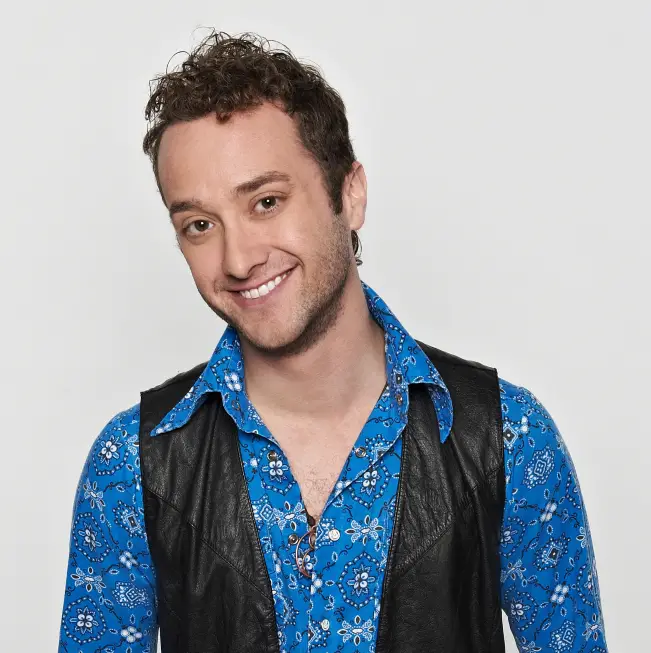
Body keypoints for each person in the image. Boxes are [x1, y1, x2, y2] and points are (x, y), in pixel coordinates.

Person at [58, 31, 608, 653]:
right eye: (200, 224)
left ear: (350, 194)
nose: (237, 259)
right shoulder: (132, 465)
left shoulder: (507, 439)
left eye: (266, 202)